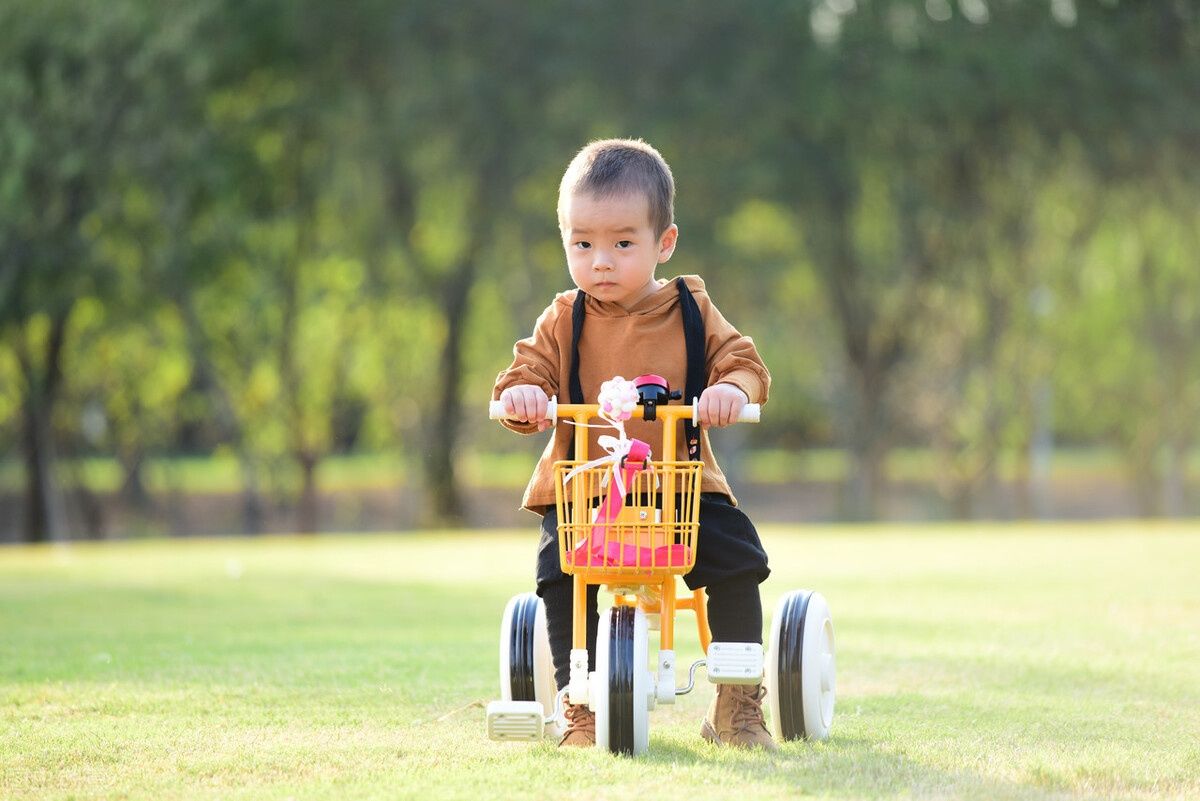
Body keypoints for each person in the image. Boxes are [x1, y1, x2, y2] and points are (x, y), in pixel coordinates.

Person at [492, 138, 775, 750]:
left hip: (680, 485)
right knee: (560, 571)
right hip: (586, 492)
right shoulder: (564, 318)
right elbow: (525, 373)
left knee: (736, 557)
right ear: (564, 238)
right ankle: (580, 703)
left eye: (623, 243)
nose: (601, 261)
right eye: (583, 243)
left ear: (663, 243)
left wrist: (730, 388)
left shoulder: (690, 309)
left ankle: (737, 701)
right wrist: (523, 398)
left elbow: (743, 361)